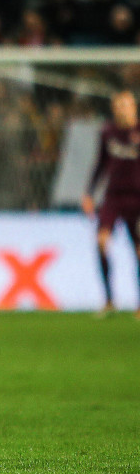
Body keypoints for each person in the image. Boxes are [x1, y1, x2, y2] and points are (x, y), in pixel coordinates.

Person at [81, 89, 140, 319]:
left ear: (134, 107)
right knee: (101, 242)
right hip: (113, 197)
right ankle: (108, 300)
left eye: (125, 105)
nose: (121, 110)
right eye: (118, 106)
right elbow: (101, 164)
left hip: (138, 199)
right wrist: (89, 193)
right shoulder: (108, 133)